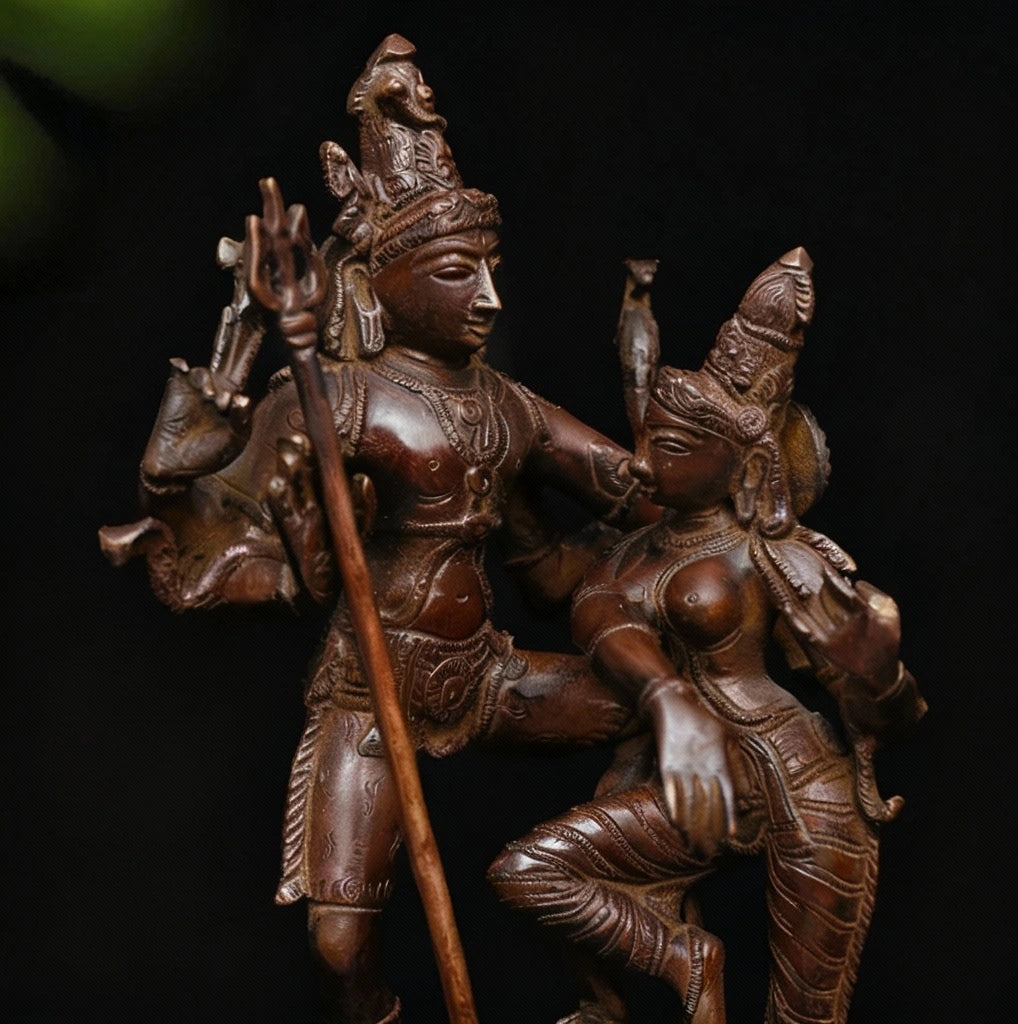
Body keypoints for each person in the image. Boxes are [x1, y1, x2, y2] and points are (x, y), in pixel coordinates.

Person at [100, 35, 658, 1024]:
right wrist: (292, 506)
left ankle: (600, 970)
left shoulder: (505, 404)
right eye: (457, 274)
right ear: (385, 280)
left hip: (483, 671)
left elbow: (627, 485)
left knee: (660, 713)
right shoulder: (335, 399)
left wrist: (704, 458)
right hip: (371, 687)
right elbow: (230, 526)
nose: (487, 297)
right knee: (339, 949)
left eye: (490, 272)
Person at [488, 248, 926, 1024]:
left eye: (671, 447)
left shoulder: (771, 555)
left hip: (798, 784)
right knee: (534, 871)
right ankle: (678, 967)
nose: (641, 460)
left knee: (804, 1014)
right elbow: (559, 586)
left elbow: (888, 713)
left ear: (744, 463)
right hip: (689, 781)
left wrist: (879, 678)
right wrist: (511, 482)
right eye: (648, 436)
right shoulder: (630, 547)